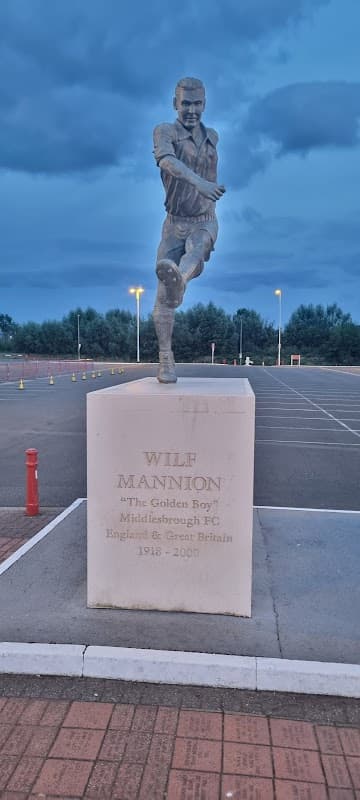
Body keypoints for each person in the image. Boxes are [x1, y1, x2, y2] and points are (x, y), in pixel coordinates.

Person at [153, 77, 225, 383]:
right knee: (162, 302)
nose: (191, 110)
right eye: (185, 103)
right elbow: (167, 162)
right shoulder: (164, 132)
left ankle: (180, 278)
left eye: (197, 104)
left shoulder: (214, 137)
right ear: (175, 103)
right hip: (173, 223)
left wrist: (204, 192)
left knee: (197, 248)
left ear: (204, 104)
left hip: (204, 219)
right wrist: (200, 183)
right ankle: (165, 358)